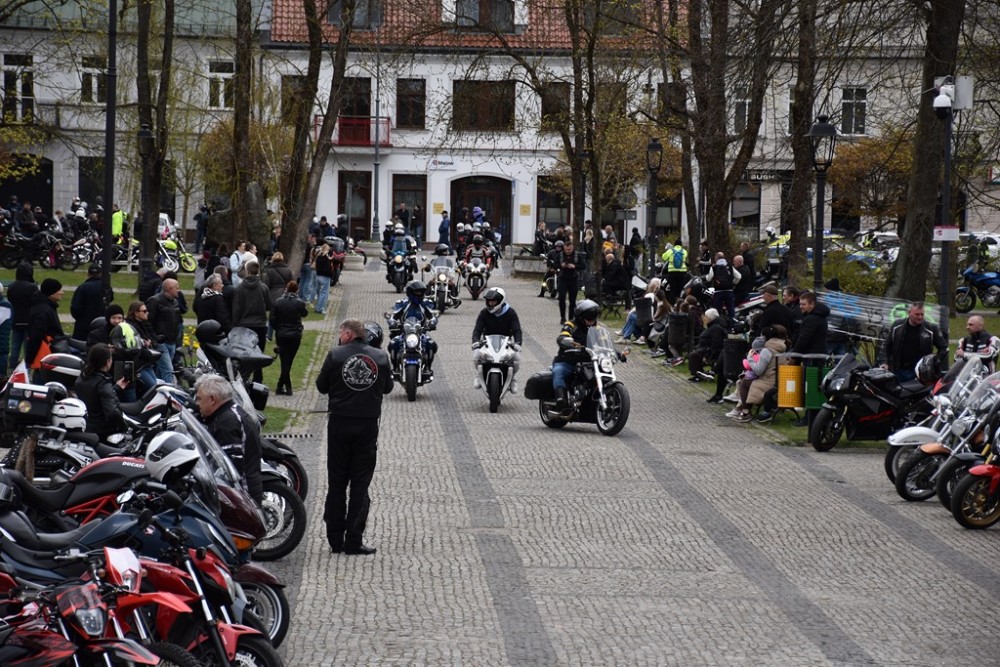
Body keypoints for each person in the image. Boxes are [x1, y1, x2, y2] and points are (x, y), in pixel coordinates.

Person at [316, 319, 394, 555]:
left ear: (349, 334)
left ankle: (335, 539)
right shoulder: (380, 357)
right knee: (360, 484)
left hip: (339, 424)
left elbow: (321, 386)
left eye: (341, 332)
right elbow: (388, 388)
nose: (339, 336)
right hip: (367, 425)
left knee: (337, 481)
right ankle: (354, 540)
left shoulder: (335, 355)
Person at [194, 374, 264, 503]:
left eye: (199, 399)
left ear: (212, 399)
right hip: (242, 494)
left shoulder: (226, 423)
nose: (197, 403)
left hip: (241, 499)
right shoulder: (229, 411)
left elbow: (228, 469)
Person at [727, 325, 788, 423]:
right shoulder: (779, 347)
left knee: (744, 382)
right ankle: (741, 409)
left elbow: (758, 370)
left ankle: (746, 412)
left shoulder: (767, 351)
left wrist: (750, 358)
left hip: (768, 382)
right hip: (777, 380)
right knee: (747, 381)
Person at [471, 287, 523, 393]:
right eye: (489, 301)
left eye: (493, 301)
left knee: (516, 358)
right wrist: (475, 341)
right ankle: (479, 375)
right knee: (476, 355)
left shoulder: (510, 313)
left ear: (500, 301)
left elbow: (517, 330)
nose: (490, 303)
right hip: (487, 342)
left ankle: (512, 378)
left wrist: (518, 343)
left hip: (506, 343)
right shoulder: (484, 313)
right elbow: (477, 329)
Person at [881, 302, 948, 382]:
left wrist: (934, 362)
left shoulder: (931, 328)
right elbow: (886, 345)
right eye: (917, 314)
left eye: (922, 314)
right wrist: (885, 362)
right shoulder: (897, 326)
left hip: (921, 372)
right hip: (898, 370)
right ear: (909, 313)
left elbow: (944, 348)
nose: (920, 317)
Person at [387, 281, 438, 380]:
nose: (420, 294)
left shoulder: (426, 304)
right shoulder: (402, 304)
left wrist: (432, 323)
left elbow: (433, 316)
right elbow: (392, 316)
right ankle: (395, 368)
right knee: (393, 343)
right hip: (404, 333)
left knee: (431, 344)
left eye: (421, 292)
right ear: (410, 292)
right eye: (417, 292)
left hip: (420, 334)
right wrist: (392, 323)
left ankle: (427, 368)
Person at [74, 344, 126, 439]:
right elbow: (112, 412)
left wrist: (117, 388)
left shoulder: (82, 378)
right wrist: (124, 427)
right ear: (107, 362)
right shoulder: (103, 382)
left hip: (86, 426)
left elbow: (95, 397)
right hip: (103, 431)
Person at [232, 260, 271, 382]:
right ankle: (258, 378)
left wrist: (235, 324)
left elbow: (237, 309)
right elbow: (269, 305)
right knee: (259, 353)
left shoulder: (240, 288)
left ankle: (243, 378)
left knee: (243, 354)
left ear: (247, 271)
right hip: (260, 324)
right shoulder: (263, 287)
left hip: (244, 325)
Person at [270, 280, 308, 395]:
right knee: (288, 361)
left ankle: (280, 386)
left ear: (286, 289)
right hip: (295, 335)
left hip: (281, 334)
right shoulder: (299, 303)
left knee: (285, 361)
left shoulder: (278, 302)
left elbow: (272, 320)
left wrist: (278, 329)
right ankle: (288, 387)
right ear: (297, 290)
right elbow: (305, 313)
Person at [145, 278, 181, 383]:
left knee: (161, 370)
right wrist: (155, 338)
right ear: (170, 289)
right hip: (161, 342)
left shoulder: (175, 302)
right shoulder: (154, 301)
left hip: (172, 341)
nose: (179, 290)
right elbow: (147, 321)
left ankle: (156, 387)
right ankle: (170, 390)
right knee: (168, 370)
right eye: (177, 288)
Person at [25, 278, 64, 371]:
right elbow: (36, 335)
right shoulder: (43, 310)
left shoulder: (47, 306)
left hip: (47, 354)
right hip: (44, 355)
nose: (62, 293)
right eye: (59, 290)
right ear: (51, 292)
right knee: (41, 377)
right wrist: (29, 359)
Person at [7, 262, 35, 368]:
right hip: (28, 320)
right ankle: (26, 367)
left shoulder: (12, 286)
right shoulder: (32, 287)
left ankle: (13, 365)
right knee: (27, 347)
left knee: (15, 345)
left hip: (16, 319)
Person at [688, 308, 726, 384]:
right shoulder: (711, 326)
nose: (704, 318)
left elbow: (716, 344)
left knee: (694, 355)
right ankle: (699, 374)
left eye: (706, 316)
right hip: (705, 349)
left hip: (712, 352)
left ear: (711, 318)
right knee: (694, 353)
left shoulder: (716, 328)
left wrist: (708, 356)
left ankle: (699, 375)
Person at [70, 263, 107, 341]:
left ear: (88, 274)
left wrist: (79, 318)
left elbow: (75, 307)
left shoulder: (82, 287)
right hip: (101, 325)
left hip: (83, 326)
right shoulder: (105, 287)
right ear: (100, 274)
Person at [556, 240, 587, 323]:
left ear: (572, 248)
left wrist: (574, 266)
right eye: (566, 249)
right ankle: (563, 317)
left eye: (569, 249)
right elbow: (555, 264)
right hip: (562, 278)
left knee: (572, 300)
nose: (568, 251)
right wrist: (561, 266)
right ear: (564, 248)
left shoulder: (577, 255)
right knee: (561, 298)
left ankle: (570, 318)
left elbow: (583, 266)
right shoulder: (560, 255)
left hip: (573, 279)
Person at [705, 252, 739, 321]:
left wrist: (706, 276)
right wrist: (733, 283)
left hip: (718, 292)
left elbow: (708, 279)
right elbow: (738, 276)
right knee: (731, 310)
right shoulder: (730, 266)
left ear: (716, 258)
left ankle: (719, 324)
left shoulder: (714, 267)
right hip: (729, 291)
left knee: (717, 311)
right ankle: (732, 324)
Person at [313, 243, 333, 315]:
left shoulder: (318, 257)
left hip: (318, 275)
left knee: (318, 293)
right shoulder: (326, 258)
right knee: (324, 293)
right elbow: (328, 269)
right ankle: (320, 308)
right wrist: (331, 275)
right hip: (325, 277)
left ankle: (317, 307)